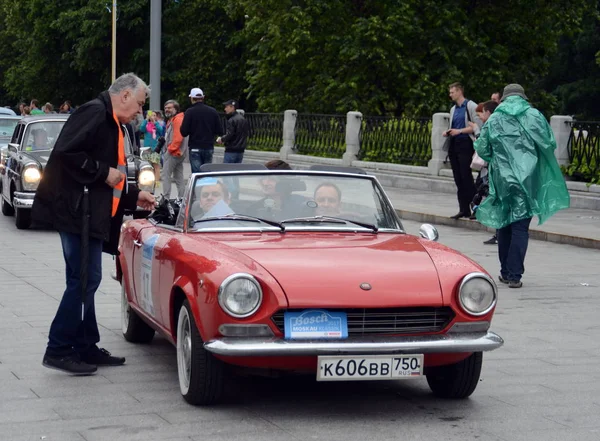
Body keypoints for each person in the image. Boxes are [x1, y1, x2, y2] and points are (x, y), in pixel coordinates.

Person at [31, 72, 156, 375]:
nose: (140, 111)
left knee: (86, 280)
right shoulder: (95, 112)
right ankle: (58, 348)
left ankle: (85, 346)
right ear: (125, 95)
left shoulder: (110, 119)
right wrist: (103, 172)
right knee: (83, 281)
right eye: (139, 104)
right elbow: (66, 153)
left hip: (88, 214)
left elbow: (110, 176)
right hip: (77, 214)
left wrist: (133, 193)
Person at [474, 84, 570, 288]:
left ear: (504, 98)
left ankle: (505, 272)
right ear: (523, 98)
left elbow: (482, 147)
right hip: (527, 178)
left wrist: (498, 159)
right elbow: (549, 143)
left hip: (502, 178)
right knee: (520, 227)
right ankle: (515, 275)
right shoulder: (534, 115)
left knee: (504, 223)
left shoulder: (496, 118)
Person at [443, 82, 482, 220]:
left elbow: (477, 126)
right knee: (458, 178)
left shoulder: (471, 106)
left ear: (459, 91)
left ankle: (476, 208)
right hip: (455, 145)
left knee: (466, 177)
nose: (450, 94)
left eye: (452, 92)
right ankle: (463, 209)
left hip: (466, 144)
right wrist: (449, 132)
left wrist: (459, 131)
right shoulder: (453, 109)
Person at [468, 100, 499, 244]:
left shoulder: (492, 126)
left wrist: (476, 130)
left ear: (488, 112)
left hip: (493, 170)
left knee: (490, 197)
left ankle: (499, 232)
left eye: (482, 112)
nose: (480, 116)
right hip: (496, 170)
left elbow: (483, 147)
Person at [180, 87, 223, 172]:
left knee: (197, 173)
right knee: (207, 172)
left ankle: (199, 186)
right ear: (203, 98)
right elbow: (219, 130)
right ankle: (207, 185)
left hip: (195, 146)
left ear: (192, 98)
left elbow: (184, 132)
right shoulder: (213, 111)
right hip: (209, 147)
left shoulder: (190, 112)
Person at [161, 99, 187, 198]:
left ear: (176, 109)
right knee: (178, 177)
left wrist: (170, 150)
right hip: (178, 153)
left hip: (174, 153)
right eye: (166, 108)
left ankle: (166, 198)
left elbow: (178, 138)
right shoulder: (175, 119)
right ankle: (182, 199)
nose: (167, 110)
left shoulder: (177, 120)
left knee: (165, 176)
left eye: (170, 108)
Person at [217, 99, 249, 164]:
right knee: (236, 170)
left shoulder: (231, 120)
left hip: (231, 149)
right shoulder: (243, 119)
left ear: (232, 107)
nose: (225, 109)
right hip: (241, 150)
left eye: (227, 107)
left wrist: (222, 139)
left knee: (226, 170)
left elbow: (230, 134)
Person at [140, 110, 164, 185]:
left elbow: (161, 131)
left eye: (154, 115)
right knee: (146, 166)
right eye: (151, 115)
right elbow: (141, 129)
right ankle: (147, 182)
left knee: (156, 166)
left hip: (155, 149)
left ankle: (156, 183)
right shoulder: (146, 124)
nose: (152, 117)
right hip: (146, 148)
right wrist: (146, 119)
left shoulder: (158, 124)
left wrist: (155, 122)